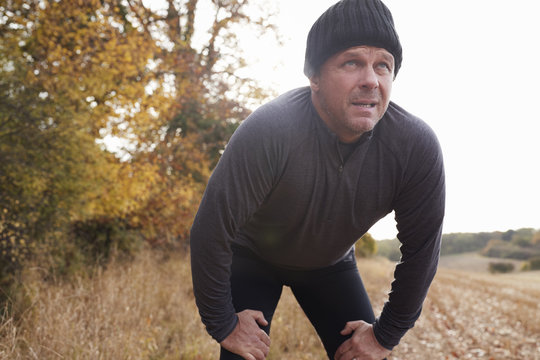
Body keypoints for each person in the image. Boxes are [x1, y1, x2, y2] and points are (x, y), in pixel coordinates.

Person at [190, 0, 445, 359]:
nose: (371, 80)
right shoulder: (271, 129)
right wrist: (224, 325)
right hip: (253, 256)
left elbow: (421, 253)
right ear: (314, 78)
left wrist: (384, 335)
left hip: (331, 266)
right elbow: (211, 229)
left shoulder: (415, 148)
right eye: (352, 62)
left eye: (383, 66)